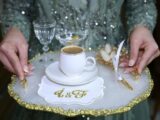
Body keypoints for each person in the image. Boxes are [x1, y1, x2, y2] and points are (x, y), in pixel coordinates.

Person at [0, 0, 159, 120]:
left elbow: (140, 4)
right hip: (43, 75)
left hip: (111, 70)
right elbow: (16, 6)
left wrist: (142, 26)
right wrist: (14, 29)